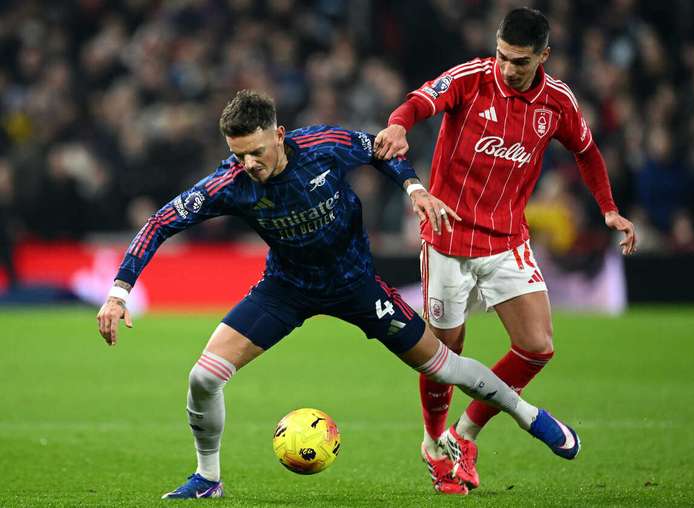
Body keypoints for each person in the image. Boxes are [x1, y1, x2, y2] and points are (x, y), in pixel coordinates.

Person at [96, 90, 581, 499]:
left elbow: (380, 148)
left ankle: (527, 415)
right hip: (286, 289)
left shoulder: (324, 145)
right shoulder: (231, 183)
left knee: (443, 366)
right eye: (239, 154)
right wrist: (119, 292)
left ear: (279, 135)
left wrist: (414, 189)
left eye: (257, 152)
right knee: (203, 377)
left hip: (355, 286)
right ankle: (207, 478)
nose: (249, 164)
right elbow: (161, 222)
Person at [374, 7, 637, 494]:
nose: (507, 67)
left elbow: (586, 150)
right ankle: (434, 444)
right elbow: (417, 102)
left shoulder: (556, 101)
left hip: (506, 240)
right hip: (448, 238)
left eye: (519, 60)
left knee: (537, 346)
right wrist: (397, 126)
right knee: (444, 353)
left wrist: (607, 209)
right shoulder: (473, 78)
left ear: (544, 56)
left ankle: (464, 433)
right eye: (502, 55)